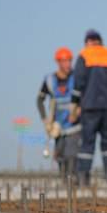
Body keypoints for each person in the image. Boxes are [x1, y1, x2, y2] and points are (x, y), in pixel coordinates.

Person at [71, 29, 107, 186]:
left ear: (88, 41)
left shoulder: (85, 55)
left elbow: (78, 82)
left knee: (87, 142)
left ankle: (83, 177)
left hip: (90, 106)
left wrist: (74, 103)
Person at [36, 47, 81, 180]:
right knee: (60, 155)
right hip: (58, 127)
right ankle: (64, 182)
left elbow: (86, 96)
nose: (68, 64)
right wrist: (45, 120)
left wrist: (79, 110)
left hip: (75, 126)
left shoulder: (77, 78)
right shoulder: (50, 80)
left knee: (71, 154)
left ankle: (73, 182)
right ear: (58, 62)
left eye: (69, 61)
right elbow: (39, 100)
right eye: (64, 61)